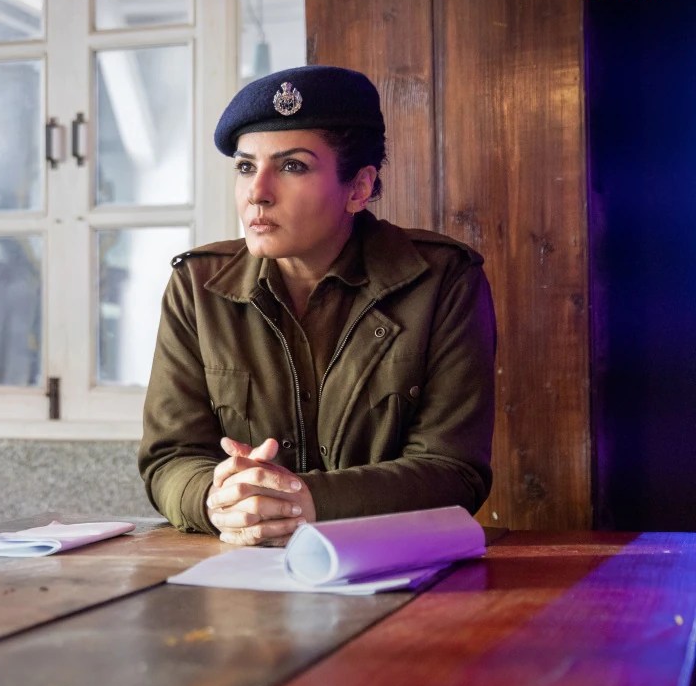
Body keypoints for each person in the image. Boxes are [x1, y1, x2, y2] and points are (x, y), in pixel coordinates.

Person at [139, 65, 496, 546]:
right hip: (238, 567)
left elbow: (454, 471)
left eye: (292, 166)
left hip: (389, 565)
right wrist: (217, 499)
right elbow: (170, 457)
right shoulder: (198, 286)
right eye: (246, 167)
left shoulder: (441, 281)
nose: (257, 193)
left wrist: (308, 502)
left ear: (359, 188)